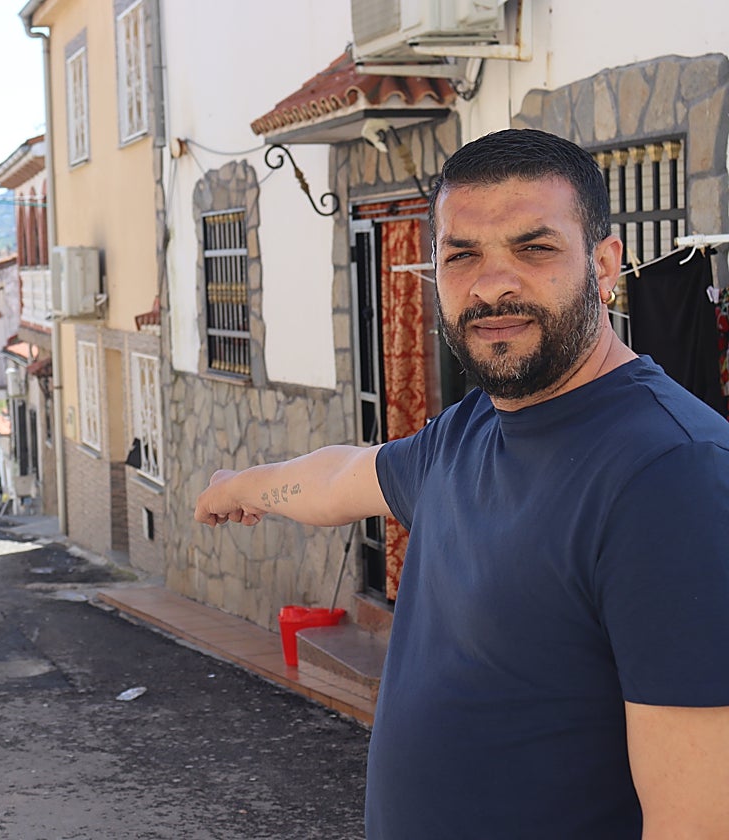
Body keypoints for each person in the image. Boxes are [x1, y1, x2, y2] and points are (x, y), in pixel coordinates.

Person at [194, 128, 729, 838]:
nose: (493, 283)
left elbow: (696, 820)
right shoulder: (473, 428)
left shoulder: (670, 474)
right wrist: (240, 485)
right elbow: (343, 477)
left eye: (535, 248)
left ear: (605, 266)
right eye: (462, 254)